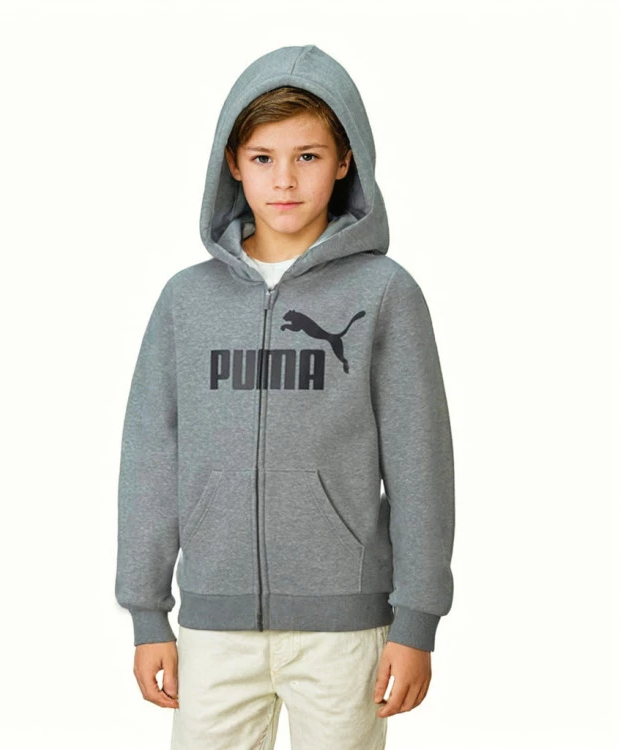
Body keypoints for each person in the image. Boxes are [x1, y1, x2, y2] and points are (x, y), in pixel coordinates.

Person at [115, 44, 455, 750]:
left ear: (345, 161)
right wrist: (148, 613)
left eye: (308, 156)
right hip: (212, 630)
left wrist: (417, 620)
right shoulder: (186, 302)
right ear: (233, 164)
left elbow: (420, 464)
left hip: (346, 632)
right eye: (264, 157)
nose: (286, 180)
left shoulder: (385, 294)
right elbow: (150, 459)